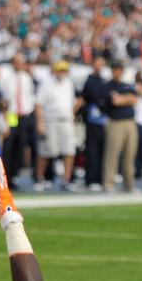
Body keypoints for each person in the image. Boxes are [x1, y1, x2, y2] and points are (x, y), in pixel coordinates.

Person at [35, 60, 80, 190]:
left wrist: (72, 113)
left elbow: (73, 102)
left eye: (64, 70)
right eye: (60, 70)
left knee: (69, 151)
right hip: (51, 121)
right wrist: (40, 122)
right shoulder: (47, 83)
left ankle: (66, 180)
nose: (62, 73)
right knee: (46, 151)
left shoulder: (69, 83)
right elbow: (38, 103)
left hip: (66, 120)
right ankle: (39, 178)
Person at [0, 54, 37, 188]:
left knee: (20, 147)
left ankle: (14, 176)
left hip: (24, 115)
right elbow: (4, 99)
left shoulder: (27, 78)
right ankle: (5, 176)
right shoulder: (7, 79)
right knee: (9, 146)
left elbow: (30, 96)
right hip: (12, 114)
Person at [102, 61, 137, 192]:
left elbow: (134, 100)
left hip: (130, 122)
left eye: (119, 69)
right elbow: (115, 101)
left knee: (130, 155)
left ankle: (129, 185)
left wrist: (123, 99)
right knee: (112, 154)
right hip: (115, 122)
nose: (117, 71)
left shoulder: (127, 85)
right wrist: (125, 99)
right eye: (115, 69)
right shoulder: (108, 86)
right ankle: (109, 183)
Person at [80, 56, 109, 191]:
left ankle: (99, 178)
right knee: (92, 150)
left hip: (102, 120)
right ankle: (91, 179)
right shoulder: (89, 81)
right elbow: (85, 99)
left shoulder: (103, 80)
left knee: (102, 150)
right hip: (92, 120)